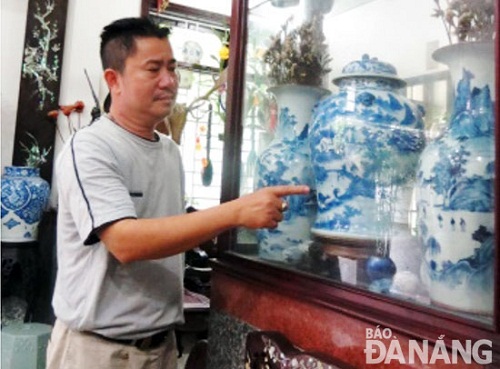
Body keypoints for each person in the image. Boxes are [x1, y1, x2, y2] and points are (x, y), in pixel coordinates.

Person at [46, 17, 309, 369]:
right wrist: (235, 213)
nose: (169, 81)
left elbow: (168, 229)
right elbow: (126, 241)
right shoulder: (90, 148)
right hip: (97, 352)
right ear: (114, 80)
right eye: (153, 69)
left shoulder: (169, 152)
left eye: (172, 68)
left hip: (162, 349)